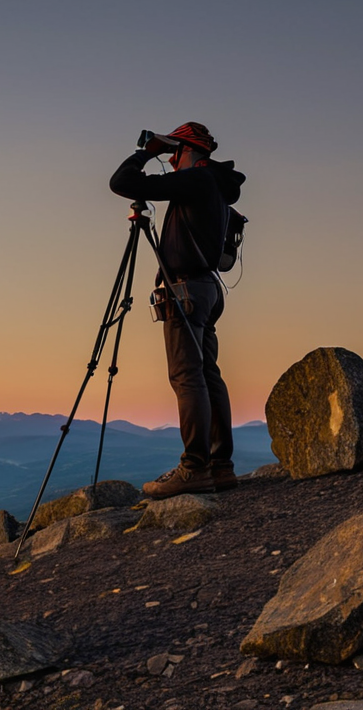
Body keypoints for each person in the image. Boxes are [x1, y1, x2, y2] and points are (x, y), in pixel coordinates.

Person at [108, 122, 245, 498]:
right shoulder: (214, 185)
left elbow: (121, 182)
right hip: (207, 290)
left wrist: (147, 152)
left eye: (174, 152)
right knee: (207, 374)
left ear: (188, 150)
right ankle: (221, 466)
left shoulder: (198, 180)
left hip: (186, 289)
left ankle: (194, 467)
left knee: (187, 377)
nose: (170, 160)